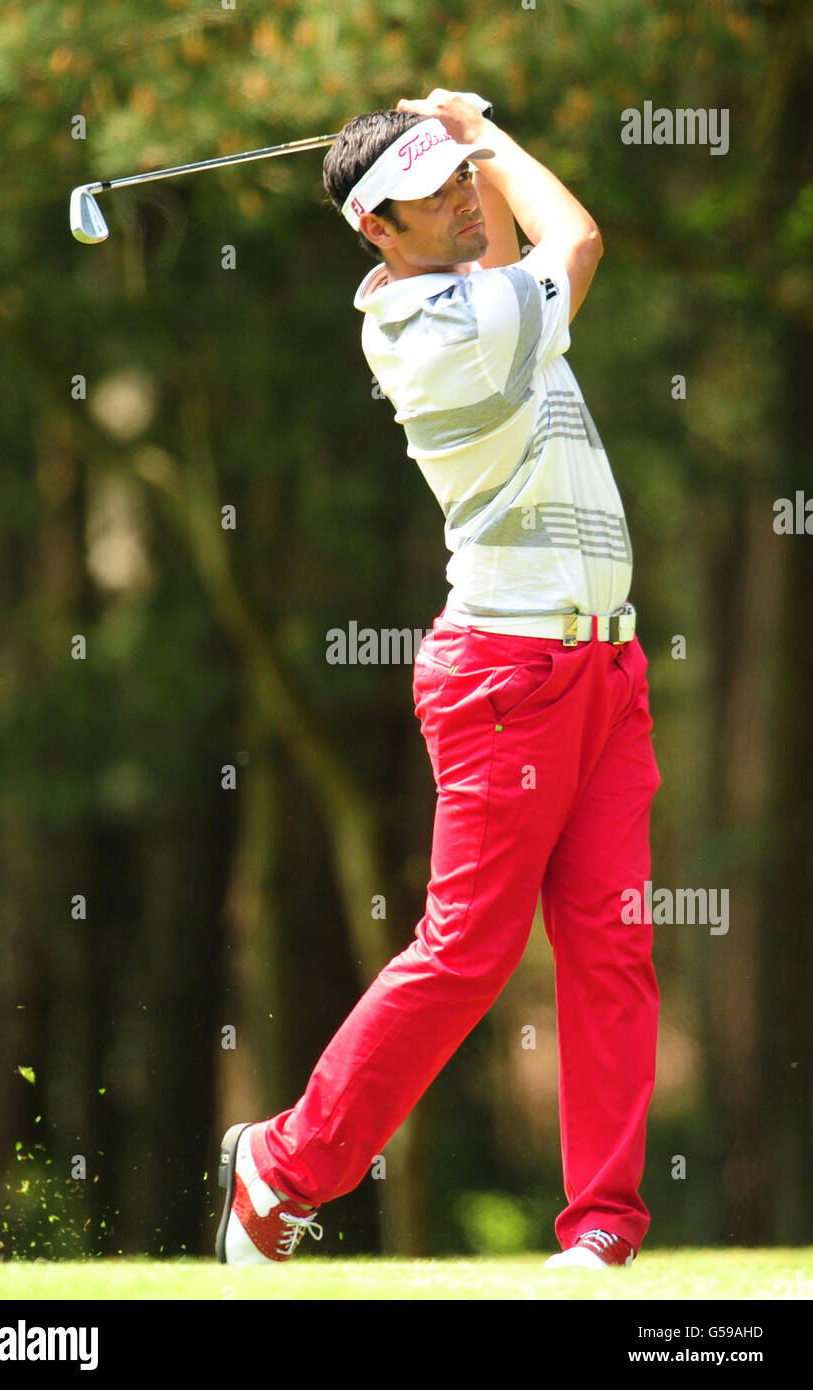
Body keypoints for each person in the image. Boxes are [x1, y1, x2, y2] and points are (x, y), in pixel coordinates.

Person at [215, 89, 661, 1271]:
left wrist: (465, 150)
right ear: (378, 230)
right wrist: (491, 131)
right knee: (466, 951)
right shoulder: (431, 331)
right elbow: (573, 242)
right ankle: (280, 1167)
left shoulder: (479, 289)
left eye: (463, 180)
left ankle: (602, 1232)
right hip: (506, 677)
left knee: (612, 943)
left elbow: (513, 253)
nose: (467, 200)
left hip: (603, 661)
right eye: (439, 192)